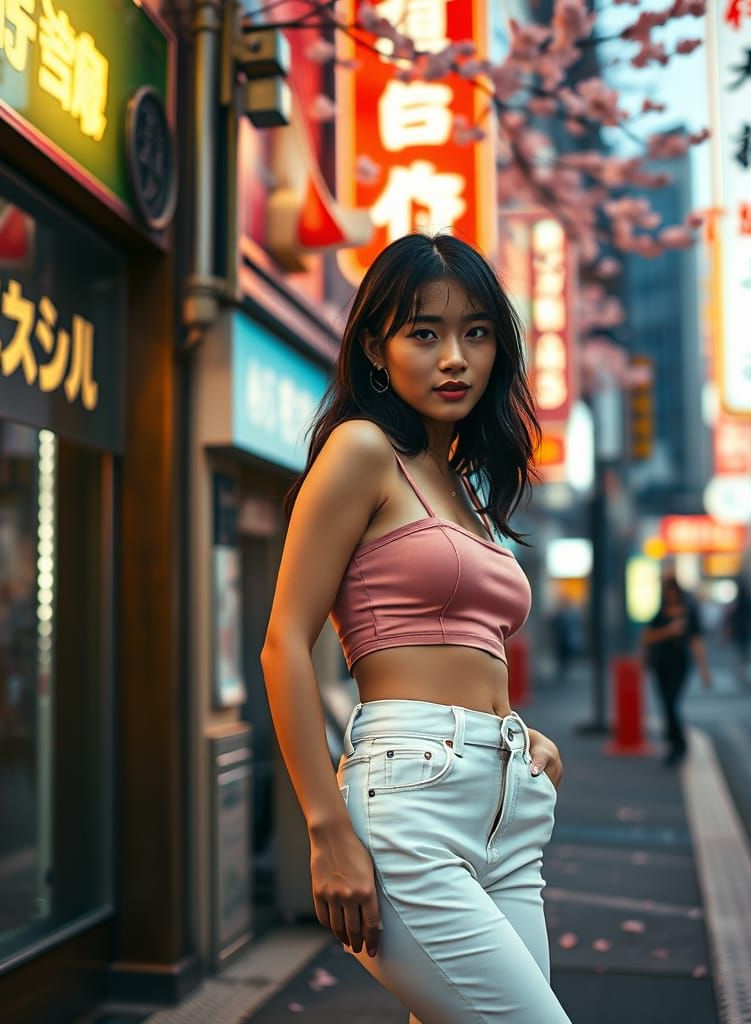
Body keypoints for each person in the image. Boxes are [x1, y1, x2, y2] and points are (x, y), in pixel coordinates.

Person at [261, 233, 572, 1023]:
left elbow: (468, 646)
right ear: (375, 346)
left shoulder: (467, 487)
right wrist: (326, 829)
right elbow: (284, 644)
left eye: (475, 332)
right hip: (409, 796)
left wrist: (517, 735)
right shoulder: (362, 452)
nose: (455, 357)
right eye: (423, 333)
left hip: (508, 803)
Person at [641, 573, 713, 766]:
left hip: (679, 664)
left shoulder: (688, 612)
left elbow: (696, 641)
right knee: (666, 703)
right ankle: (675, 742)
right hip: (661, 663)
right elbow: (647, 637)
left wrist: (704, 669)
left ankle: (677, 743)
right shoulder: (661, 613)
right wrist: (669, 631)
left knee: (672, 702)